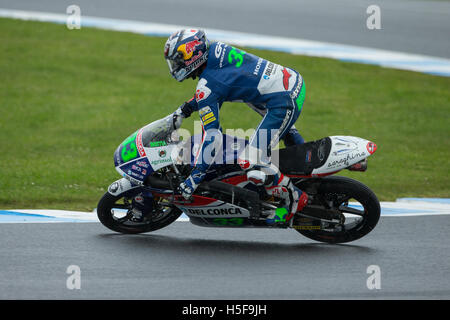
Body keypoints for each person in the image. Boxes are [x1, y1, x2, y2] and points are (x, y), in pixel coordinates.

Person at [165, 29, 308, 224]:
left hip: (282, 100)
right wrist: (186, 109)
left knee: (249, 161)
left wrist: (195, 177)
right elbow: (218, 88)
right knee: (281, 131)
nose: (176, 66)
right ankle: (307, 170)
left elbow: (213, 136)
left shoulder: (207, 85)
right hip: (290, 81)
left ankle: (296, 198)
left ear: (193, 54)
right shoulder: (216, 49)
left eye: (178, 59)